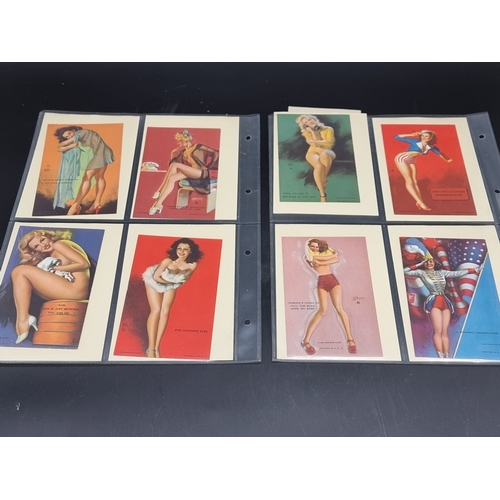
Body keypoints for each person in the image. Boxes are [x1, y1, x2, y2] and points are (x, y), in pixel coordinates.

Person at [0, 229, 91, 344]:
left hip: (75, 291)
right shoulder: (52, 253)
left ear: (49, 236)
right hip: (72, 291)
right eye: (36, 246)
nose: (43, 245)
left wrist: (55, 268)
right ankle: (23, 320)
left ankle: (23, 320)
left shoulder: (60, 244)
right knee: (23, 277)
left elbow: (84, 263)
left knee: (19, 271)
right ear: (35, 251)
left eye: (42, 239)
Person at [404, 256, 482, 358]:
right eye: (426, 262)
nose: (429, 264)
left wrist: (474, 270)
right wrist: (419, 264)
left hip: (444, 301)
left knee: (445, 332)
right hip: (433, 301)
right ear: (424, 264)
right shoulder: (421, 273)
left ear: (434, 262)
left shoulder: (441, 272)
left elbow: (456, 273)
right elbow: (405, 271)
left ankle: (447, 356)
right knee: (438, 331)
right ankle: (440, 357)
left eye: (431, 261)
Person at [142, 238, 201, 357]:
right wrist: (171, 283)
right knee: (156, 310)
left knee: (165, 312)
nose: (181, 251)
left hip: (171, 282)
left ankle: (157, 347)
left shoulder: (193, 264)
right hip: (154, 281)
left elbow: (184, 279)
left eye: (185, 249)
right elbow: (156, 277)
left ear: (190, 251)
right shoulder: (167, 261)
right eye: (179, 248)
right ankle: (151, 348)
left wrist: (174, 282)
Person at [301, 238, 356, 355]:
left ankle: (350, 339)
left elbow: (336, 259)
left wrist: (331, 257)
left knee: (339, 308)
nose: (315, 249)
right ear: (308, 247)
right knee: (322, 310)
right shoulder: (307, 257)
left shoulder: (321, 254)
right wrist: (333, 255)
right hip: (322, 282)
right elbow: (323, 260)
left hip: (333, 280)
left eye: (317, 247)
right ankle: (305, 340)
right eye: (312, 247)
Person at [148, 130, 219, 215]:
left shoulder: (197, 146)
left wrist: (210, 165)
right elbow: (172, 166)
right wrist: (173, 153)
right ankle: (158, 204)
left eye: (180, 141)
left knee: (174, 166)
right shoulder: (184, 152)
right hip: (191, 173)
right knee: (172, 178)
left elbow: (215, 152)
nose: (179, 143)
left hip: (201, 173)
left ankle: (159, 191)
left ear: (186, 140)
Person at [54, 126, 115, 215]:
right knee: (100, 177)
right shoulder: (83, 136)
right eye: (67, 137)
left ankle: (76, 205)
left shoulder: (80, 133)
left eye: (69, 133)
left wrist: (71, 145)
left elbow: (59, 147)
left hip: (100, 155)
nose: (70, 137)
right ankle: (96, 203)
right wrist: (73, 145)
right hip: (105, 152)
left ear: (74, 130)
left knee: (86, 178)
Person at [393, 130, 451, 211]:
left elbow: (439, 153)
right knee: (409, 180)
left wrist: (447, 159)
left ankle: (419, 201)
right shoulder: (415, 141)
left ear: (430, 138)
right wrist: (411, 134)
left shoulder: (430, 146)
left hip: (411, 160)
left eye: (426, 136)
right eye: (422, 136)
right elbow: (396, 137)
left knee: (415, 181)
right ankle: (420, 202)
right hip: (402, 158)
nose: (424, 137)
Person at [295, 115, 336, 202]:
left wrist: (316, 141)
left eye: (309, 119)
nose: (309, 122)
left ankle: (323, 179)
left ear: (314, 119)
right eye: (306, 122)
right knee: (319, 166)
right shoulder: (306, 133)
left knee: (324, 153)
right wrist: (313, 132)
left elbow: (330, 144)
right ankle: (322, 194)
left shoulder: (328, 129)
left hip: (327, 151)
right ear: (305, 125)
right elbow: (315, 145)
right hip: (312, 152)